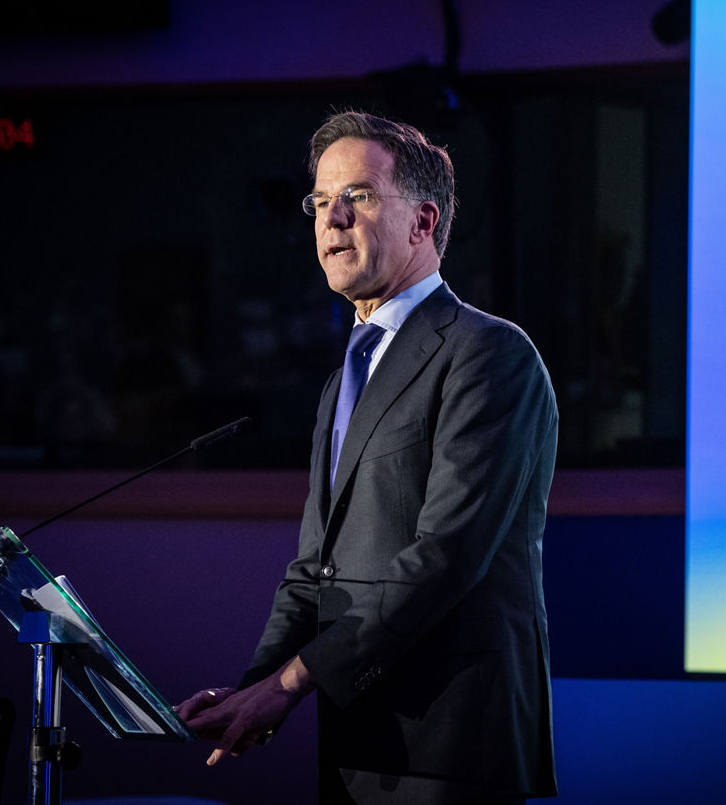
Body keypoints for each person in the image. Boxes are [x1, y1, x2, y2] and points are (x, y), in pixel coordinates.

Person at [177, 111, 559, 804]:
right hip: (355, 727)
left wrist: (290, 683)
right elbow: (314, 567)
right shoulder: (344, 379)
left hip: (448, 736)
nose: (333, 218)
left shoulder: (489, 353)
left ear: (422, 222)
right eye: (321, 200)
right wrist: (255, 688)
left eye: (358, 196)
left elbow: (446, 556)